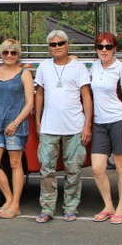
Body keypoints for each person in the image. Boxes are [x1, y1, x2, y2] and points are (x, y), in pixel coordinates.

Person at [34, 30, 92, 223]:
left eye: (60, 43)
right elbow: (39, 95)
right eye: (53, 44)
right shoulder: (44, 66)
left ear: (67, 45)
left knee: (73, 169)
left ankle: (71, 207)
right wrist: (38, 122)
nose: (57, 47)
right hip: (49, 127)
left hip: (75, 127)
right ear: (49, 47)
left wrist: (87, 125)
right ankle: (47, 208)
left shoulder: (79, 67)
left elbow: (86, 97)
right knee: (46, 169)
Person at [0, 39, 34, 219]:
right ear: (1, 54)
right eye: (6, 52)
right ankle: (9, 199)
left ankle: (15, 206)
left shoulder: (24, 74)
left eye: (13, 52)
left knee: (15, 164)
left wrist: (15, 123)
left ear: (18, 55)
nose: (9, 55)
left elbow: (30, 103)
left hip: (16, 124)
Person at [89, 32, 122, 225]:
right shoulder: (94, 67)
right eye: (100, 47)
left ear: (115, 49)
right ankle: (108, 205)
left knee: (121, 167)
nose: (104, 50)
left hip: (118, 120)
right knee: (97, 168)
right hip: (99, 122)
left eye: (108, 47)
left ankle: (121, 207)